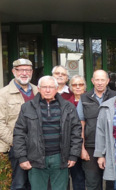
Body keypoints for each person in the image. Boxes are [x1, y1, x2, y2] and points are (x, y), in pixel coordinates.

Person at [13, 76, 82, 189]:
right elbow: (19, 133)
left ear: (56, 89)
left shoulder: (68, 107)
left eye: (51, 87)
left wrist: (74, 155)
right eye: (44, 87)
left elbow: (76, 132)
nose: (48, 90)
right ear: (39, 89)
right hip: (35, 159)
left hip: (60, 158)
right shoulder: (27, 107)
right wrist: (22, 157)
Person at [0, 58, 38, 190]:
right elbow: (0, 123)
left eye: (27, 70)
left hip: (37, 147)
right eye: (20, 70)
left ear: (32, 72)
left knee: (35, 183)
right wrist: (15, 142)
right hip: (16, 147)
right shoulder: (3, 94)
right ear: (13, 71)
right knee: (19, 184)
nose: (24, 73)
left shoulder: (37, 91)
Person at [77, 70, 116, 190]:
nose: (100, 83)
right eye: (97, 80)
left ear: (108, 81)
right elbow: (81, 125)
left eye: (102, 80)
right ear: (92, 81)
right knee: (92, 183)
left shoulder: (115, 96)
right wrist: (82, 148)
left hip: (112, 146)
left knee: (113, 182)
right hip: (91, 146)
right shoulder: (84, 97)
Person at [67, 74, 87, 190]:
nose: (78, 87)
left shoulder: (91, 99)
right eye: (75, 84)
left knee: (90, 176)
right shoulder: (65, 102)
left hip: (88, 143)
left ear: (85, 86)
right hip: (71, 144)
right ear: (70, 87)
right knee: (77, 176)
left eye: (81, 84)